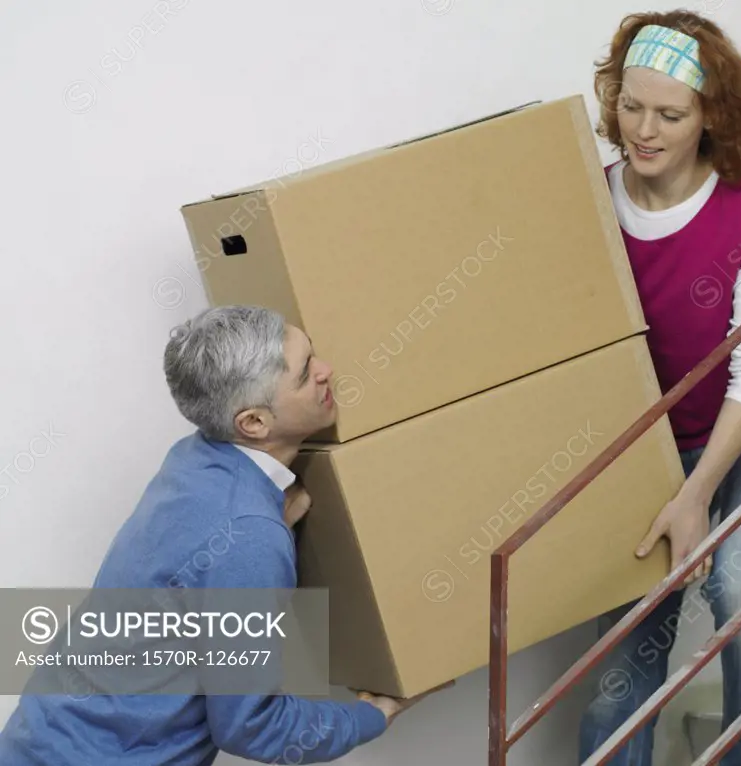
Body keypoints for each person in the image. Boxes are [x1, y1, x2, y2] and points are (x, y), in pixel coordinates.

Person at [0, 305, 446, 764]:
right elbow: (254, 728)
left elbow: (196, 567)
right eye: (304, 374)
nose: (326, 371)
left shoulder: (192, 460)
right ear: (253, 422)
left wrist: (266, 518)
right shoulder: (248, 534)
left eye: (314, 355)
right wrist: (372, 716)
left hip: (38, 738)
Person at [578, 11, 741, 766]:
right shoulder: (588, 199)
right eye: (629, 106)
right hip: (650, 439)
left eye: (669, 114)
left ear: (710, 116)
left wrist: (694, 497)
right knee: (625, 651)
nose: (643, 129)